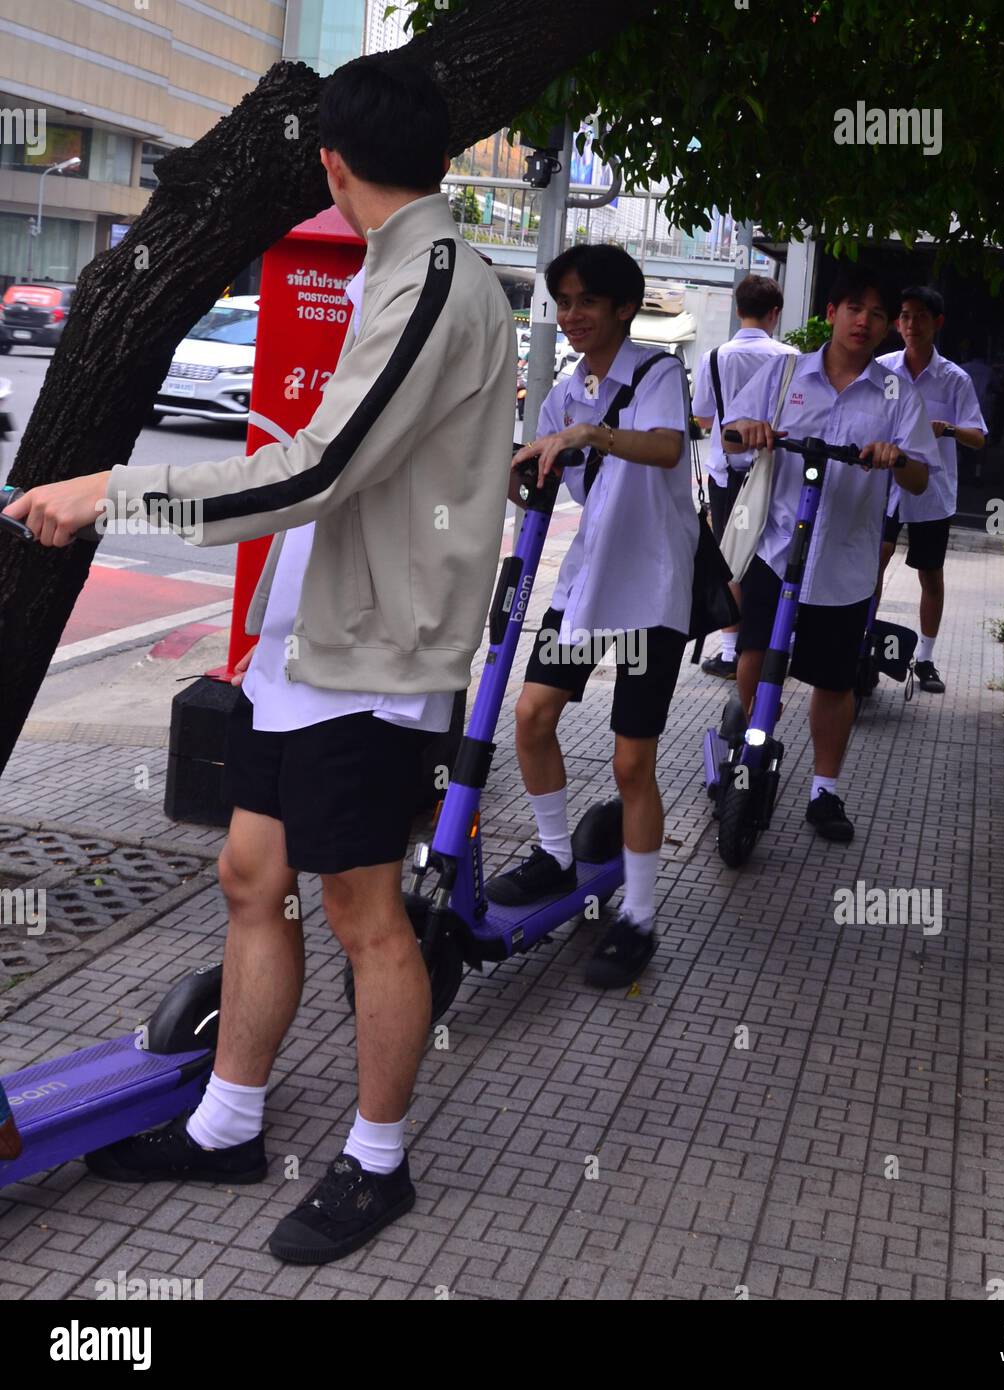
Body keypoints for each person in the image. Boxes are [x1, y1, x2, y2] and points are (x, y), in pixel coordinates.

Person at [3, 58, 516, 1265]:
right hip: (314, 638)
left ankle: (377, 1161)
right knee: (251, 875)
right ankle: (229, 1119)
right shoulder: (402, 265)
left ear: (332, 164)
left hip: (376, 656)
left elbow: (312, 472)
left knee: (362, 906)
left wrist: (106, 494)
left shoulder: (436, 279)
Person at [491, 244, 698, 989]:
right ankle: (554, 854)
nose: (571, 315)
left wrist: (589, 434)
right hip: (585, 587)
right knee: (530, 715)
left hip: (650, 592)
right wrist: (528, 474)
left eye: (584, 301)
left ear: (620, 306)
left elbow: (665, 446)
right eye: (563, 302)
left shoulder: (655, 372)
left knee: (630, 762)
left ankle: (638, 916)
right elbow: (570, 484)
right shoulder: (564, 388)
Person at [724, 266, 940, 844]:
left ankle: (824, 789)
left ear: (888, 326)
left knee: (833, 682)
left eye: (876, 313)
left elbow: (920, 479)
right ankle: (751, 746)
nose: (864, 322)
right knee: (753, 655)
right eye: (853, 308)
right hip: (776, 547)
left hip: (846, 560)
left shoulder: (898, 394)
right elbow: (729, 433)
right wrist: (747, 427)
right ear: (831, 313)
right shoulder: (783, 370)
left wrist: (896, 457)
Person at [876, 286, 986, 692]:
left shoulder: (954, 379)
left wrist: (950, 429)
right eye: (904, 315)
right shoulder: (883, 369)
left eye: (920, 316)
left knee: (930, 575)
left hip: (931, 492)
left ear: (937, 322)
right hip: (884, 487)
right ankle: (862, 643)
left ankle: (925, 658)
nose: (910, 324)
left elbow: (978, 437)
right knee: (875, 561)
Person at [691, 274, 794, 679]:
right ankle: (769, 646)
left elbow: (703, 417)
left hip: (726, 475)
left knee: (730, 558)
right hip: (773, 474)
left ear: (738, 309)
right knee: (771, 557)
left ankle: (732, 652)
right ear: (775, 313)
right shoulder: (790, 357)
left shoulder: (715, 357)